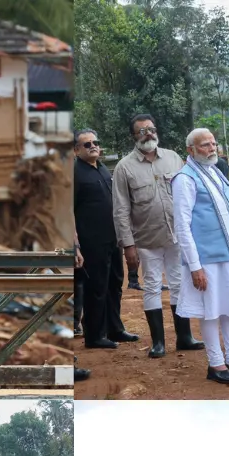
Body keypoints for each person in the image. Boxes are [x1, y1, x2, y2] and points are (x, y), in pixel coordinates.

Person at [171, 128, 229, 386]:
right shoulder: (185, 179)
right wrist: (194, 266)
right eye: (205, 145)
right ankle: (216, 363)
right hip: (206, 258)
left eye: (213, 143)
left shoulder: (215, 172)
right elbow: (182, 225)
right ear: (190, 150)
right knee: (210, 312)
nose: (212, 148)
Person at [112, 114, 201, 358]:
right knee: (151, 286)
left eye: (151, 129)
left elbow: (189, 194)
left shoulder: (173, 158)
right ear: (134, 136)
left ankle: (185, 337)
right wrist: (128, 245)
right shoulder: (124, 167)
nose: (149, 134)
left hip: (177, 236)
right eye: (142, 131)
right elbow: (121, 209)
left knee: (178, 284)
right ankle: (158, 342)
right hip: (146, 239)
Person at [74, 129, 134, 349]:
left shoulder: (103, 170)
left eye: (95, 143)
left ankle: (114, 329)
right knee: (96, 288)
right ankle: (94, 335)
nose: (93, 146)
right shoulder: (74, 173)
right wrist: (75, 245)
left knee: (115, 284)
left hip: (112, 238)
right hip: (91, 242)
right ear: (76, 150)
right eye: (87, 144)